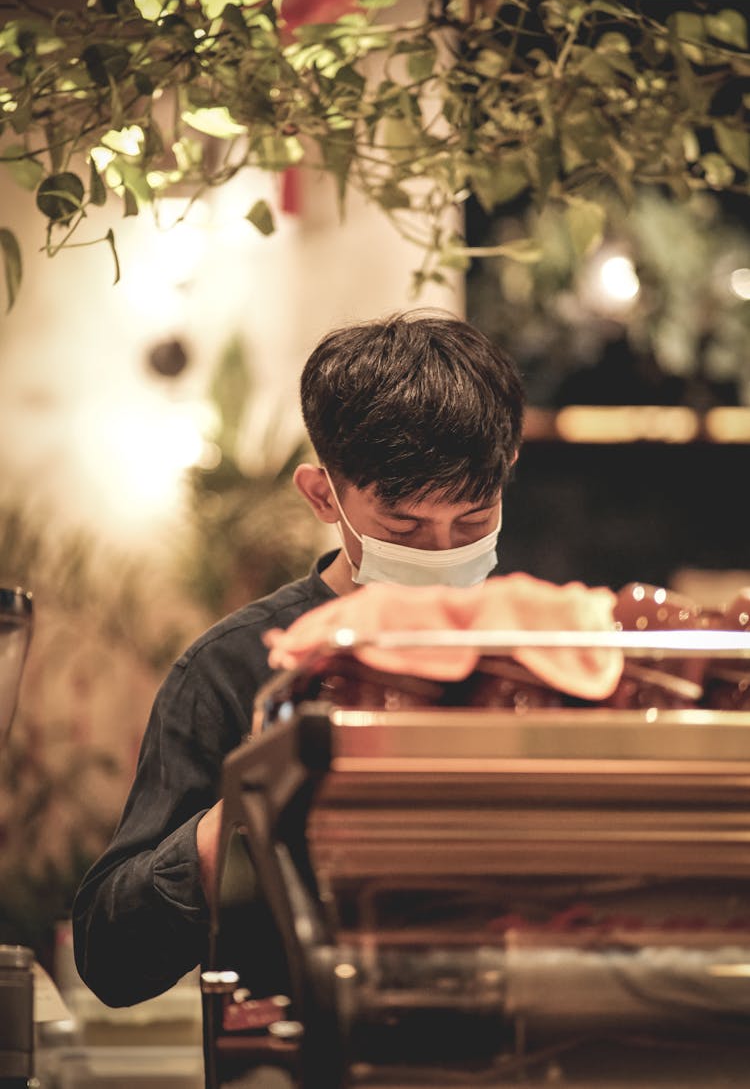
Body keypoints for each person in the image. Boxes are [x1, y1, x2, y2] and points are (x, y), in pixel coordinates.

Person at [71, 308, 526, 1008]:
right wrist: (244, 815)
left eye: (473, 520)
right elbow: (111, 959)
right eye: (403, 526)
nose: (441, 554)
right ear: (323, 496)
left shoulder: (540, 653)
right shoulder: (230, 669)